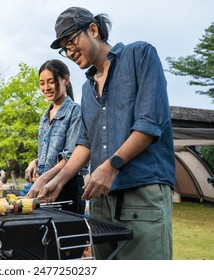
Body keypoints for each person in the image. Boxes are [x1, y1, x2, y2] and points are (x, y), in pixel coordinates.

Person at [35, 7, 175, 260]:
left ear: (93, 29)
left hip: (141, 192)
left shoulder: (140, 54)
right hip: (100, 200)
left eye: (71, 42)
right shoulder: (87, 88)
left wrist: (110, 167)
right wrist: (57, 180)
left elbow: (149, 123)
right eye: (64, 48)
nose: (69, 52)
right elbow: (85, 142)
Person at [26, 59, 87, 214]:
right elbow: (50, 153)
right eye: (42, 83)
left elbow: (70, 157)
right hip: (45, 185)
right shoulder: (44, 117)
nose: (46, 88)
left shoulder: (76, 112)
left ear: (65, 80)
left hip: (68, 186)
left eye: (51, 82)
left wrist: (43, 179)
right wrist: (36, 161)